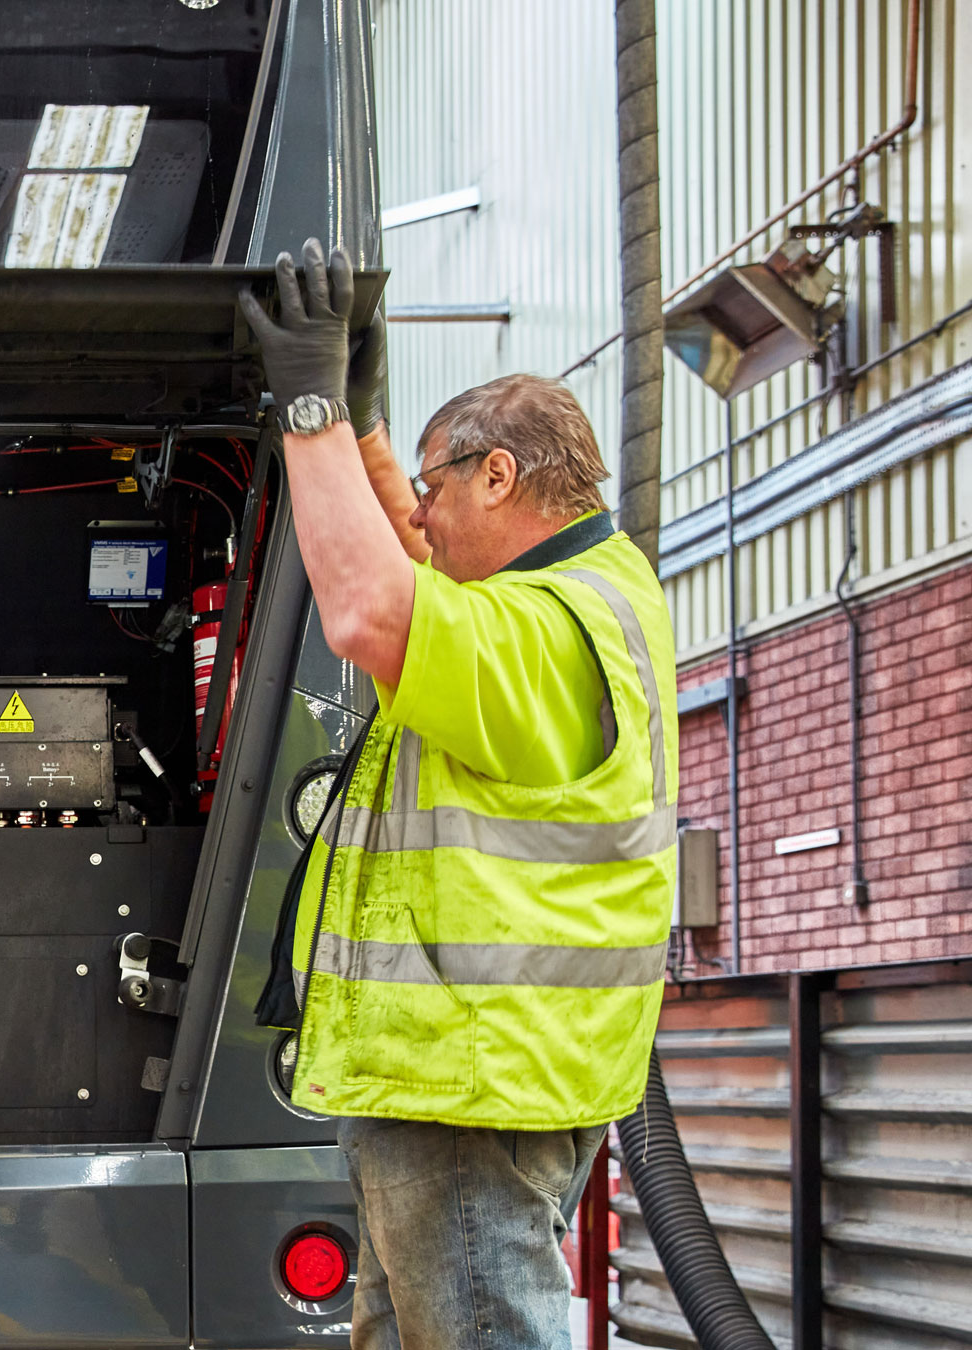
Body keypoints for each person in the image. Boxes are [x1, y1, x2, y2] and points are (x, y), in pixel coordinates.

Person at [241, 240, 677, 1350]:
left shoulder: (547, 631)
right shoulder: (571, 596)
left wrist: (309, 418)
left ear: (500, 475)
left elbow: (376, 612)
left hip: (468, 1085)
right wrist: (372, 432)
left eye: (437, 487)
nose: (421, 515)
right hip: (466, 1078)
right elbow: (419, 570)